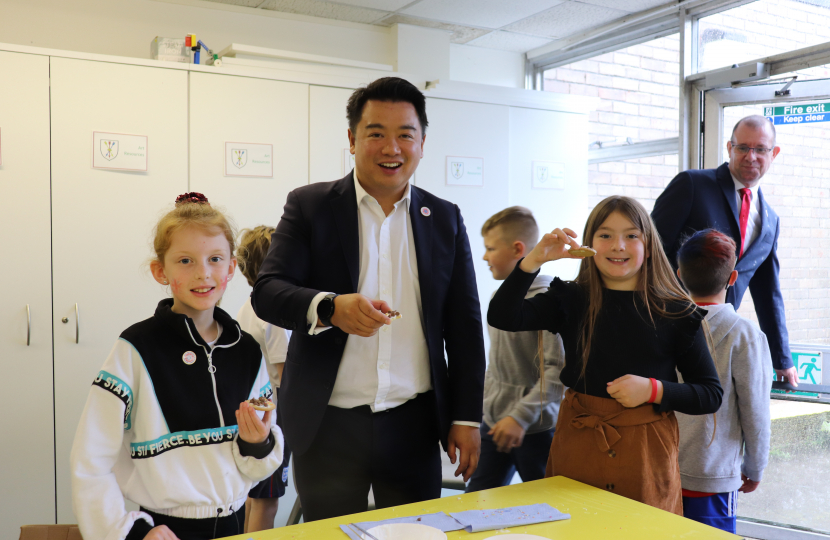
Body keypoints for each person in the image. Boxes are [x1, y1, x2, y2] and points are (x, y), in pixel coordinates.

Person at [252, 77, 485, 521]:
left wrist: (467, 418)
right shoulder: (311, 205)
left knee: (414, 533)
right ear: (352, 138)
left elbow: (465, 326)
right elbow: (268, 291)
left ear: (422, 142)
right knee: (330, 533)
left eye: (405, 135)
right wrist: (329, 307)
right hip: (328, 422)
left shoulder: (445, 220)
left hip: (413, 422)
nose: (390, 148)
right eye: (376, 133)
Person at [488, 195, 723, 515]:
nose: (618, 245)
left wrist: (654, 390)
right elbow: (503, 316)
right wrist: (534, 260)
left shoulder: (674, 312)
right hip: (578, 443)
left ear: (649, 245)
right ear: (589, 245)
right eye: (605, 235)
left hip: (645, 453)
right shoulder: (569, 299)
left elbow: (709, 394)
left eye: (631, 235)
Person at [70, 193, 284, 540]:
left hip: (232, 525)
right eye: (185, 260)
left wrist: (256, 442)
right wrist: (129, 531)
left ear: (231, 268)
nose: (203, 273)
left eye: (215, 258)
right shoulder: (135, 349)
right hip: (162, 531)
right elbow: (90, 460)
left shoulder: (247, 351)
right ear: (160, 270)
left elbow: (258, 463)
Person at [652, 115, 796, 387]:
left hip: (719, 340)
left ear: (773, 153)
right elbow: (652, 250)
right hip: (668, 330)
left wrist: (782, 358)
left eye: (760, 149)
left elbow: (768, 292)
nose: (751, 156)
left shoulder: (770, 221)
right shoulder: (692, 185)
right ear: (729, 148)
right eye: (742, 148)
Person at [675, 229, 772, 534]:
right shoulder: (746, 335)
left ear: (680, 275)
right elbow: (755, 411)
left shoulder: (664, 326)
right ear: (733, 278)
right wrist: (755, 468)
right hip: (714, 475)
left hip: (662, 471)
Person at [466, 207, 565, 492]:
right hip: (495, 422)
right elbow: (496, 365)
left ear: (517, 249)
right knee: (477, 500)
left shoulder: (547, 301)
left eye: (490, 248)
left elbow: (557, 374)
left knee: (546, 506)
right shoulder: (500, 298)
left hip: (535, 430)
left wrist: (519, 417)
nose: (484, 257)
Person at [236, 226, 292, 533]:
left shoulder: (249, 306)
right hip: (273, 416)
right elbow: (287, 374)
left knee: (253, 497)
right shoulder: (274, 314)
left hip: (253, 411)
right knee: (267, 502)